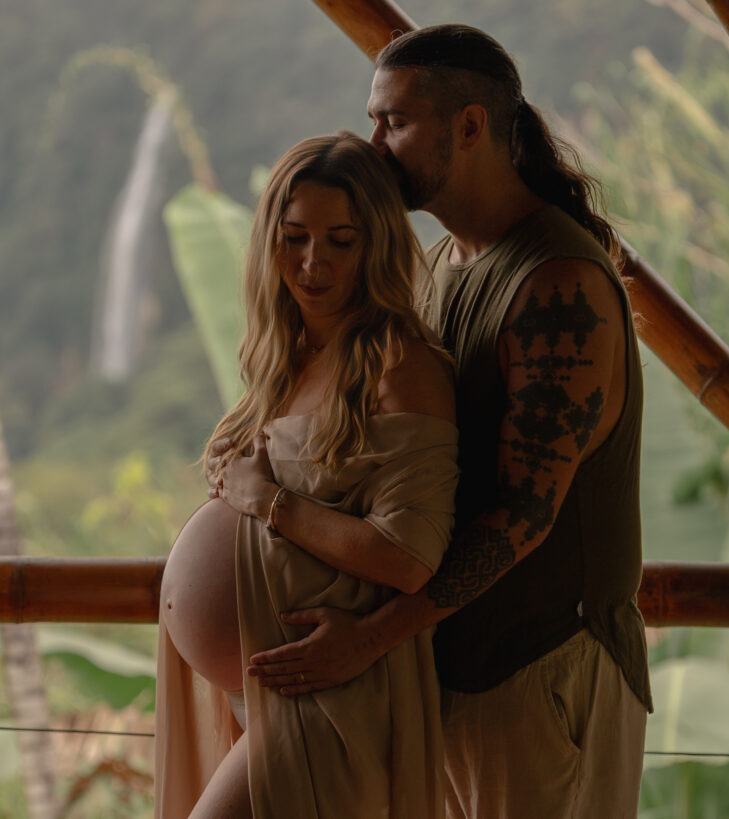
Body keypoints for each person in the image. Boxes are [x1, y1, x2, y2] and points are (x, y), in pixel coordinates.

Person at [239, 24, 653, 819]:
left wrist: (368, 637)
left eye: (392, 121)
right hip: (450, 666)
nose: (374, 142)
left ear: (468, 127)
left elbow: (521, 516)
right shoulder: (440, 265)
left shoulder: (555, 285)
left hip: (539, 669)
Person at [154, 132, 459, 819]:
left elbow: (410, 556)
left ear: (374, 244)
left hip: (329, 694)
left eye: (341, 241)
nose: (313, 262)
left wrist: (268, 501)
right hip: (263, 691)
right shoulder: (284, 355)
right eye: (294, 237)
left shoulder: (399, 363)